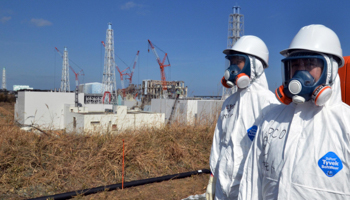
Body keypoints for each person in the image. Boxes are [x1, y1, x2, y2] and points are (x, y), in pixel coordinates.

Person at [238, 24, 350, 200]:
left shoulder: (346, 124)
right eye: (295, 64)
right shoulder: (271, 119)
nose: (300, 71)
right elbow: (251, 183)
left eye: (310, 63)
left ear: (331, 69)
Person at [206, 35, 279, 200]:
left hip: (249, 187)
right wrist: (213, 176)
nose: (233, 67)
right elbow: (219, 141)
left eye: (238, 61)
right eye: (231, 61)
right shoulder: (229, 102)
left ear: (255, 65)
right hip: (222, 185)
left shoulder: (268, 102)